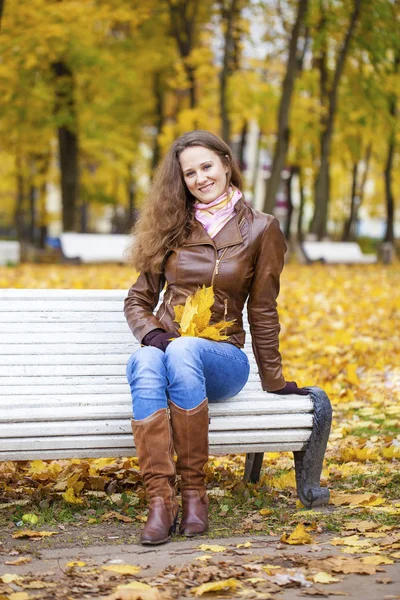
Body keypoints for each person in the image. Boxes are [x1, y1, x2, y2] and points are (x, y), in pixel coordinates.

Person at [124, 130, 308, 546]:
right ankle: (160, 502)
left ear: (226, 164)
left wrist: (274, 379)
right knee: (144, 361)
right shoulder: (171, 225)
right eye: (189, 173)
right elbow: (138, 299)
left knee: (184, 349)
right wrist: (152, 333)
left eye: (206, 166)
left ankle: (194, 494)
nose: (199, 178)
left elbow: (262, 308)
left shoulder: (263, 229)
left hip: (223, 359)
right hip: (168, 352)